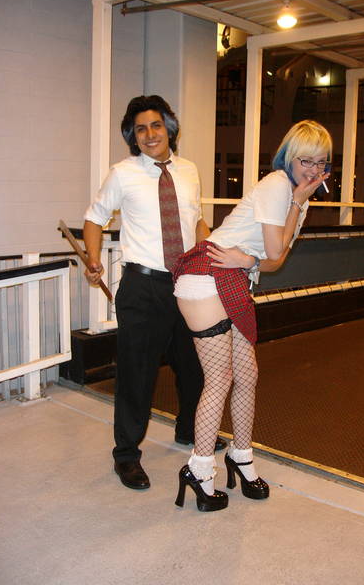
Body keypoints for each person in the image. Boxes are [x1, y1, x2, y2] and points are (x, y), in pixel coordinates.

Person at [173, 120, 332, 512]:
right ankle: (199, 469)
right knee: (220, 378)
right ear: (289, 158)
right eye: (305, 160)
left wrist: (249, 259)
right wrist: (293, 206)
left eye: (321, 162)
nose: (313, 170)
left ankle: (240, 457)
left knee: (247, 375)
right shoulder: (278, 185)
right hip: (207, 275)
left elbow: (274, 261)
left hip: (234, 278)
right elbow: (275, 251)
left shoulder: (298, 199)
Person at [83, 95, 226, 492]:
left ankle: (188, 430)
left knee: (193, 366)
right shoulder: (123, 173)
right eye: (141, 129)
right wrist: (92, 258)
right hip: (143, 287)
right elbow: (94, 218)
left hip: (188, 283)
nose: (150, 134)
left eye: (156, 125)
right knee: (137, 374)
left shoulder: (189, 171)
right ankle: (126, 454)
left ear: (169, 128)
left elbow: (196, 220)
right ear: (133, 136)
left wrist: (210, 249)